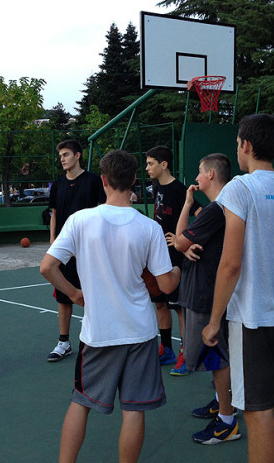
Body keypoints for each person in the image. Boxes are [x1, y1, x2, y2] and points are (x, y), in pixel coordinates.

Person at [40, 150, 180, 463]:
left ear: (103, 180)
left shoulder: (80, 221)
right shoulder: (149, 228)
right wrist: (178, 270)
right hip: (140, 332)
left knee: (80, 403)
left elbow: (47, 267)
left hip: (98, 333)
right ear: (133, 180)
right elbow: (167, 285)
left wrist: (75, 293)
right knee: (134, 409)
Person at [202, 114, 274, 463]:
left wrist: (214, 320)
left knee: (257, 410)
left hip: (251, 321)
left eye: (237, 143)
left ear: (246, 146)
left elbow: (231, 264)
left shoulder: (240, 187)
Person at [171, 153, 241, 444]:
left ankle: (227, 421)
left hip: (206, 291)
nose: (196, 177)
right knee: (216, 355)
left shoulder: (216, 208)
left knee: (216, 356)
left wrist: (186, 206)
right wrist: (184, 243)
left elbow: (179, 240)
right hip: (209, 288)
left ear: (211, 174)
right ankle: (220, 401)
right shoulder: (218, 209)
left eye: (200, 171)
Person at [47, 139, 105, 362]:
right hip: (65, 247)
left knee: (93, 294)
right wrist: (53, 239)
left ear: (78, 155)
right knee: (64, 296)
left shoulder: (93, 181)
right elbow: (53, 212)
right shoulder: (59, 184)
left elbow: (103, 210)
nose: (62, 159)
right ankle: (64, 342)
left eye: (66, 154)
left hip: (89, 246)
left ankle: (96, 339)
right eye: (60, 155)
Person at [145, 145, 202, 375]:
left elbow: (201, 214)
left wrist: (183, 238)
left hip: (176, 255)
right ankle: (166, 349)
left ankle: (185, 354)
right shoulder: (157, 187)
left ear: (163, 164)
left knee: (179, 307)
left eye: (150, 163)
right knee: (160, 303)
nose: (147, 168)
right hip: (158, 254)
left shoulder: (179, 190)